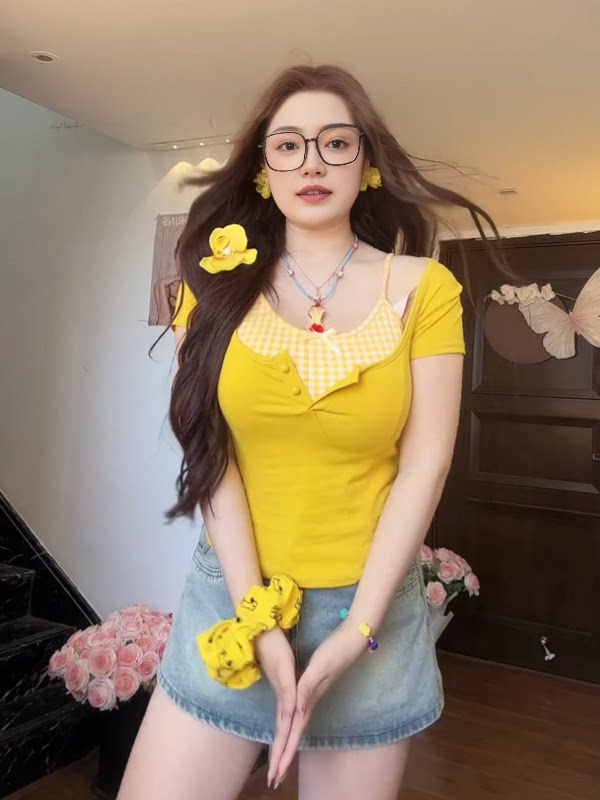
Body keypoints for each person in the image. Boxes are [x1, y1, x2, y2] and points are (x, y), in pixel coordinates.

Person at [118, 64, 503, 800]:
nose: (312, 162)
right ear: (264, 170)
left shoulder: (425, 288)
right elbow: (213, 460)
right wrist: (256, 618)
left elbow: (425, 467)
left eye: (336, 142)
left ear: (368, 163)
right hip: (232, 600)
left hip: (372, 612)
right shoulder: (211, 288)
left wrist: (357, 631)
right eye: (288, 145)